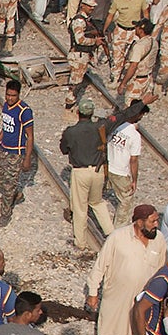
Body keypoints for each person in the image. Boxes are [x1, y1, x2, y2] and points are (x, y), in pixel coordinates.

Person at [85, 205, 167, 335]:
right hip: (116, 298)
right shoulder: (118, 238)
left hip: (144, 301)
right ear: (139, 222)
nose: (156, 224)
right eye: (152, 221)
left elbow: (162, 268)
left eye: (157, 221)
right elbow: (101, 264)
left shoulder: (159, 240)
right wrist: (93, 292)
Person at [60, 92, 111, 252]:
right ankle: (111, 233)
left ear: (78, 112)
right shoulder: (99, 128)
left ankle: (80, 242)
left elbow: (63, 149)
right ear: (92, 113)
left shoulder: (71, 131)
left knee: (80, 208)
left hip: (80, 172)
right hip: (98, 171)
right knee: (98, 203)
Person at [0, 77, 34, 226]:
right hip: (3, 148)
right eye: (8, 94)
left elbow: (30, 136)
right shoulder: (6, 107)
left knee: (9, 183)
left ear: (19, 95)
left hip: (16, 152)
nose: (9, 98)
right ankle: (14, 194)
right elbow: (5, 127)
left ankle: (5, 213)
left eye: (13, 95)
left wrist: (27, 158)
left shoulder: (24, 112)